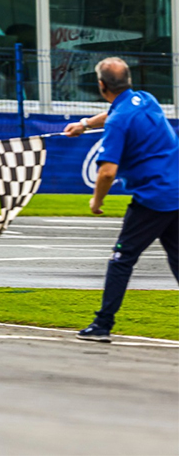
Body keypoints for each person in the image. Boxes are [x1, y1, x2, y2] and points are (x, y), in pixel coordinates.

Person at [63, 57, 178, 343]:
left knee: (122, 259)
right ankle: (102, 323)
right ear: (128, 80)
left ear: (101, 85)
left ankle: (102, 324)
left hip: (154, 199)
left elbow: (107, 172)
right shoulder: (145, 99)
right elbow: (115, 112)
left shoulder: (118, 123)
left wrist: (96, 202)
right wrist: (84, 124)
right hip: (176, 190)